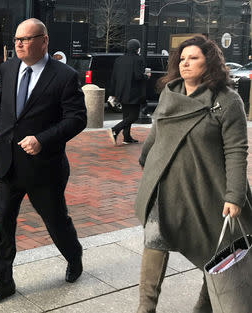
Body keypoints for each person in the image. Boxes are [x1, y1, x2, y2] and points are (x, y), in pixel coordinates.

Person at [134, 35, 252, 312]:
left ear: (209, 62)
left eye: (194, 58)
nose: (186, 63)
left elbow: (236, 150)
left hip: (205, 188)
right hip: (165, 186)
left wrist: (234, 195)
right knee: (154, 242)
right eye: (182, 58)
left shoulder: (227, 101)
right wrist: (146, 161)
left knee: (214, 250)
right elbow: (157, 133)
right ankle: (145, 308)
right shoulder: (169, 93)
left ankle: (204, 306)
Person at [0, 18, 87, 306]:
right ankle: (4, 282)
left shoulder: (64, 76)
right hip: (7, 164)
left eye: (26, 39)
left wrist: (42, 139)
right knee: (3, 225)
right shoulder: (8, 67)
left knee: (56, 223)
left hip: (44, 168)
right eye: (16, 39)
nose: (19, 44)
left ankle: (73, 255)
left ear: (44, 41)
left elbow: (77, 119)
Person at [107, 39, 150, 145]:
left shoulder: (119, 60)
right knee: (134, 116)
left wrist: (113, 93)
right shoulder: (138, 59)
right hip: (133, 92)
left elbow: (114, 78)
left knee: (126, 116)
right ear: (137, 48)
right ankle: (115, 129)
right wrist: (147, 76)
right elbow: (138, 76)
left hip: (121, 92)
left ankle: (127, 137)